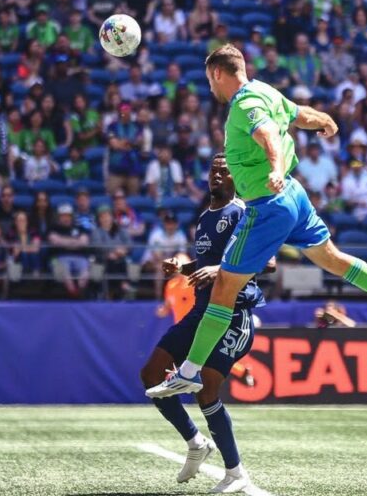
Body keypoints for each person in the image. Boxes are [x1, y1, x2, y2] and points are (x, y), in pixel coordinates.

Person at [146, 45, 367, 403]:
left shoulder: (244, 106)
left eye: (208, 79)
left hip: (268, 203)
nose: (210, 88)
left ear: (217, 73)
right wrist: (324, 118)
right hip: (295, 195)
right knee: (333, 259)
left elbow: (269, 137)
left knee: (222, 292)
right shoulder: (265, 90)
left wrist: (275, 169)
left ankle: (187, 374)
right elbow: (299, 115)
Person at [141, 154, 273, 494]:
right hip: (201, 311)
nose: (217, 175)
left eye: (224, 171)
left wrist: (218, 271)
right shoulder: (205, 218)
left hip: (232, 313)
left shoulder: (242, 212)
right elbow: (205, 264)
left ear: (234, 179)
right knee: (151, 374)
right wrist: (182, 269)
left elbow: (267, 261)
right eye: (213, 170)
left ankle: (235, 472)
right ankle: (196, 442)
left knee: (208, 388)